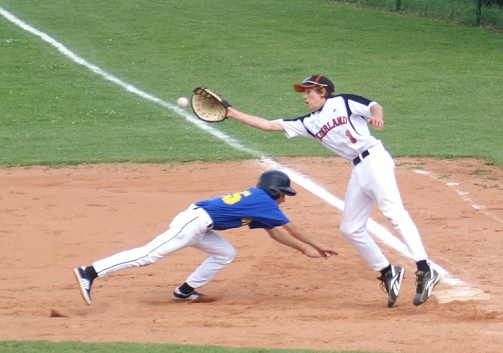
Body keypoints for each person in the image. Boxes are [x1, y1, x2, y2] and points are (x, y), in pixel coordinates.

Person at [223, 75, 440, 307]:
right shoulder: (309, 122)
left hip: (375, 159)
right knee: (350, 228)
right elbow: (268, 125)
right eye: (304, 92)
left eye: (309, 92)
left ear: (323, 91)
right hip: (359, 169)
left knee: (393, 212)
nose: (305, 97)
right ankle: (388, 271)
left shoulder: (343, 102)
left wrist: (377, 115)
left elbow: (373, 106)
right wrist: (232, 113)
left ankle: (425, 268)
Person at [72, 170, 337, 305]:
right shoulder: (263, 201)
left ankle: (184, 292)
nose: (284, 199)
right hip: (193, 223)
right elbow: (292, 229)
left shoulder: (258, 202)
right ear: (273, 190)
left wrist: (303, 250)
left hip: (200, 225)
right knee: (149, 255)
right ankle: (90, 272)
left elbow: (275, 232)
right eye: (283, 194)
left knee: (226, 253)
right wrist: (317, 244)